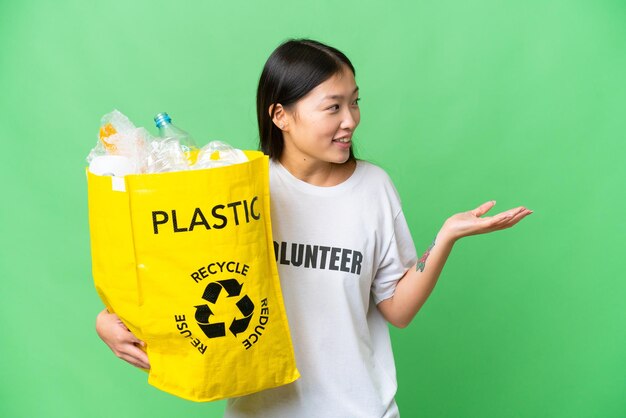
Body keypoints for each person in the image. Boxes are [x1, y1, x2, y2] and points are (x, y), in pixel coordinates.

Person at [96, 38, 532, 417]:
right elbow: (180, 276)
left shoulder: (374, 188)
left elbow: (398, 310)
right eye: (333, 107)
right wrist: (108, 320)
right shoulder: (242, 188)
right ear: (281, 116)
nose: (351, 120)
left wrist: (446, 236)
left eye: (355, 101)